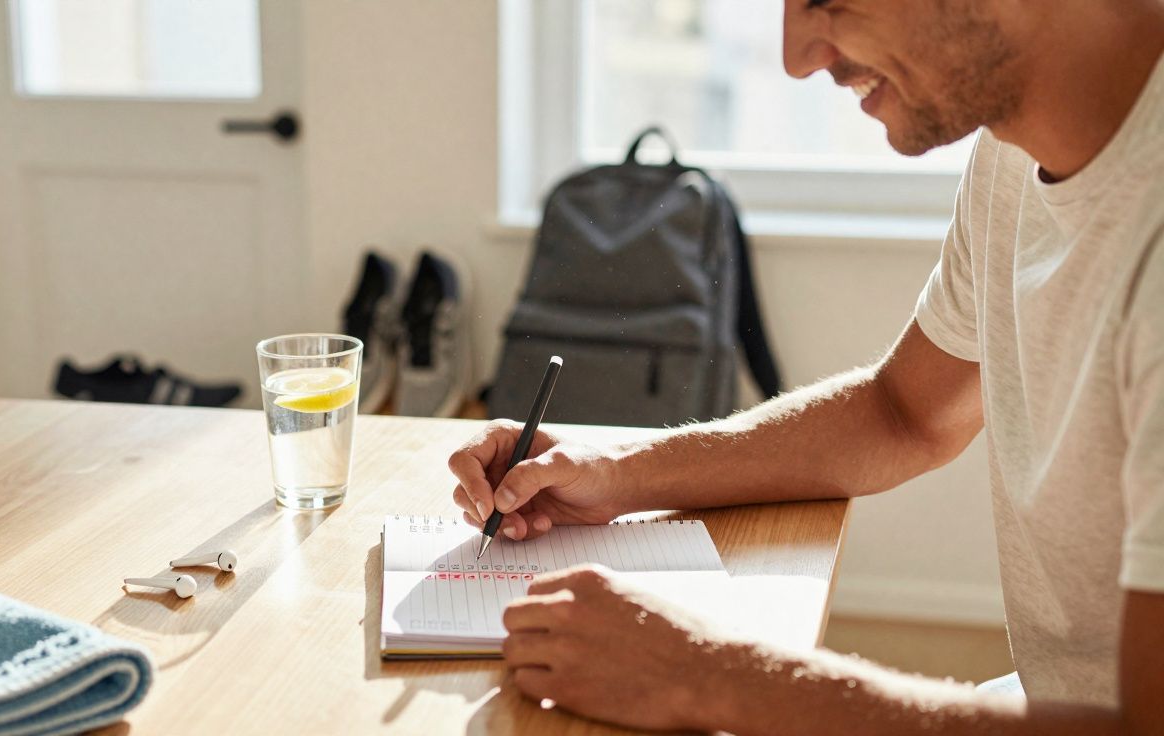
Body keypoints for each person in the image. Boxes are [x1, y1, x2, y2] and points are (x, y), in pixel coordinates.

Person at [448, 0, 1164, 732]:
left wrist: (707, 675)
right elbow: (905, 413)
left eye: (827, 1)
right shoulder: (1015, 151)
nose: (798, 56)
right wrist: (620, 469)